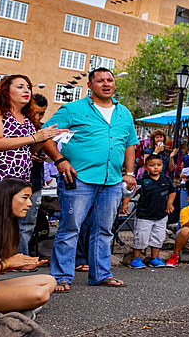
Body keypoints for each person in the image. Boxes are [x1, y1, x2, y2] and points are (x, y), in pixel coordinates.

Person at [42, 68, 137, 291]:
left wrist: (130, 173)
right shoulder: (73, 109)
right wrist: (59, 159)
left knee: (104, 230)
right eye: (100, 80)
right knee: (70, 228)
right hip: (79, 178)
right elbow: (45, 134)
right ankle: (62, 276)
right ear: (90, 85)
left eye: (110, 80)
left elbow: (130, 143)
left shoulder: (124, 113)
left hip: (112, 181)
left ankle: (101, 274)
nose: (106, 84)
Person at [0, 178, 55, 316]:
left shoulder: (6, 226)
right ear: (6, 198)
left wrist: (15, 266)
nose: (29, 204)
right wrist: (7, 263)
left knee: (48, 281)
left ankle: (12, 306)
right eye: (25, 198)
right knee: (39, 295)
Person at [0, 76, 65, 185]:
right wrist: (34, 138)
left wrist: (43, 138)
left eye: (28, 87)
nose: (26, 90)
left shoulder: (27, 117)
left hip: (22, 179)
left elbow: (28, 150)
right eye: (20, 87)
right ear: (6, 91)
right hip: (0, 178)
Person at [121, 154, 176, 268]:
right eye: (152, 165)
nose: (156, 167)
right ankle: (136, 258)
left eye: (159, 165)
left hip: (161, 215)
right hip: (144, 216)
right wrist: (125, 203)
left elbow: (172, 191)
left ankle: (154, 258)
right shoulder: (143, 181)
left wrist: (169, 203)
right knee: (141, 237)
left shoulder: (166, 179)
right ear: (146, 167)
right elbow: (131, 192)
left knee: (158, 237)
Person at [20, 93, 48, 255]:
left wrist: (44, 157)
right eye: (34, 112)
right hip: (14, 181)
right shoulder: (16, 124)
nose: (37, 116)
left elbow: (52, 156)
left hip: (34, 181)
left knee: (28, 222)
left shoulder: (43, 128)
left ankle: (23, 257)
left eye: (41, 113)